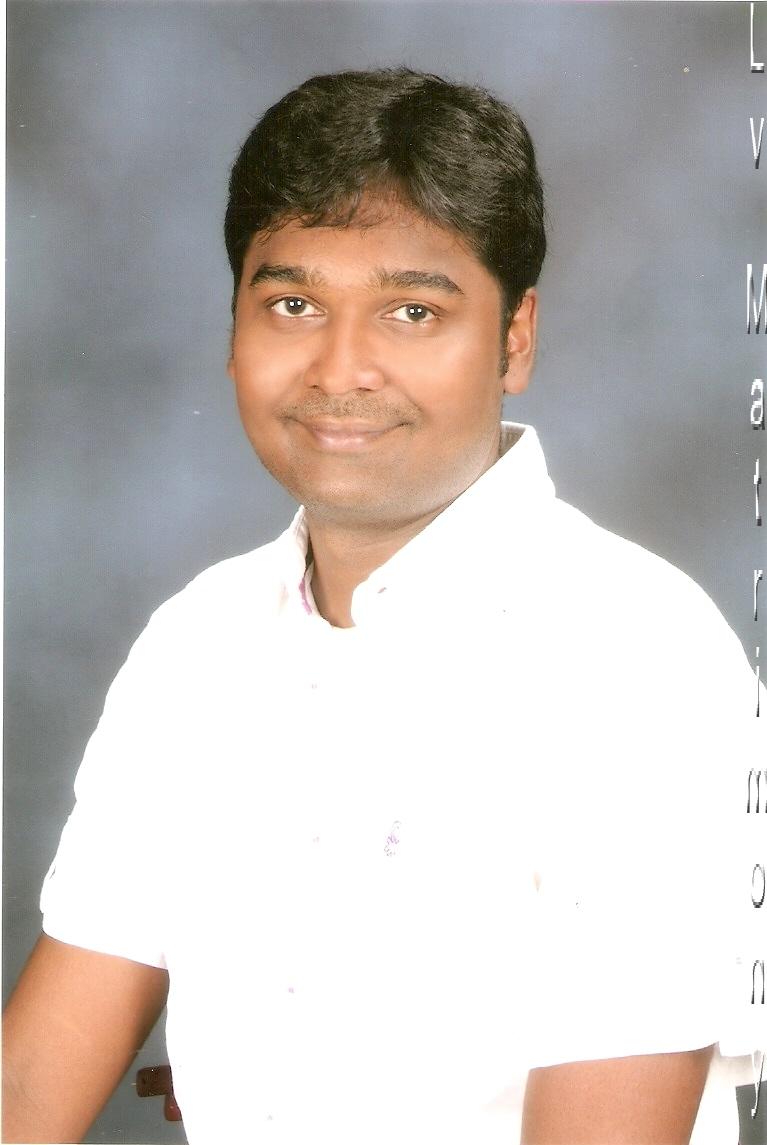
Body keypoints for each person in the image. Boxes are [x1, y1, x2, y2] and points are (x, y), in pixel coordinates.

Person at [2, 68, 761, 1145]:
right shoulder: (197, 644)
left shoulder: (634, 657)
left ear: (514, 339)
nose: (341, 367)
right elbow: (29, 1088)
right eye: (293, 305)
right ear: (232, 329)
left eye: (412, 311)